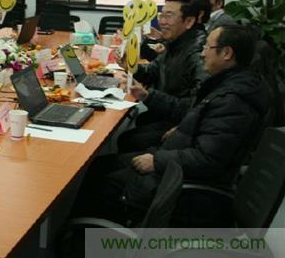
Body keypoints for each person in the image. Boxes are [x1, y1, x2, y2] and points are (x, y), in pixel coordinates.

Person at [76, 25, 269, 225]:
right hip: (176, 161)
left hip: (181, 185)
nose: (202, 53)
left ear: (227, 53)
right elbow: (200, 120)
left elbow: (207, 159)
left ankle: (85, 238)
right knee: (99, 166)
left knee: (101, 182)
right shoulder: (227, 84)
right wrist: (177, 121)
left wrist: (157, 160)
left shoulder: (234, 101)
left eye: (207, 47)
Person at [118, 0, 208, 152]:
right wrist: (131, 66)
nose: (162, 22)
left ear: (189, 21)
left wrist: (148, 95)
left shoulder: (198, 53)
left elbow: (197, 105)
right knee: (132, 130)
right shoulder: (175, 42)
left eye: (169, 16)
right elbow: (153, 70)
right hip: (166, 112)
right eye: (161, 15)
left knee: (128, 140)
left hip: (182, 125)